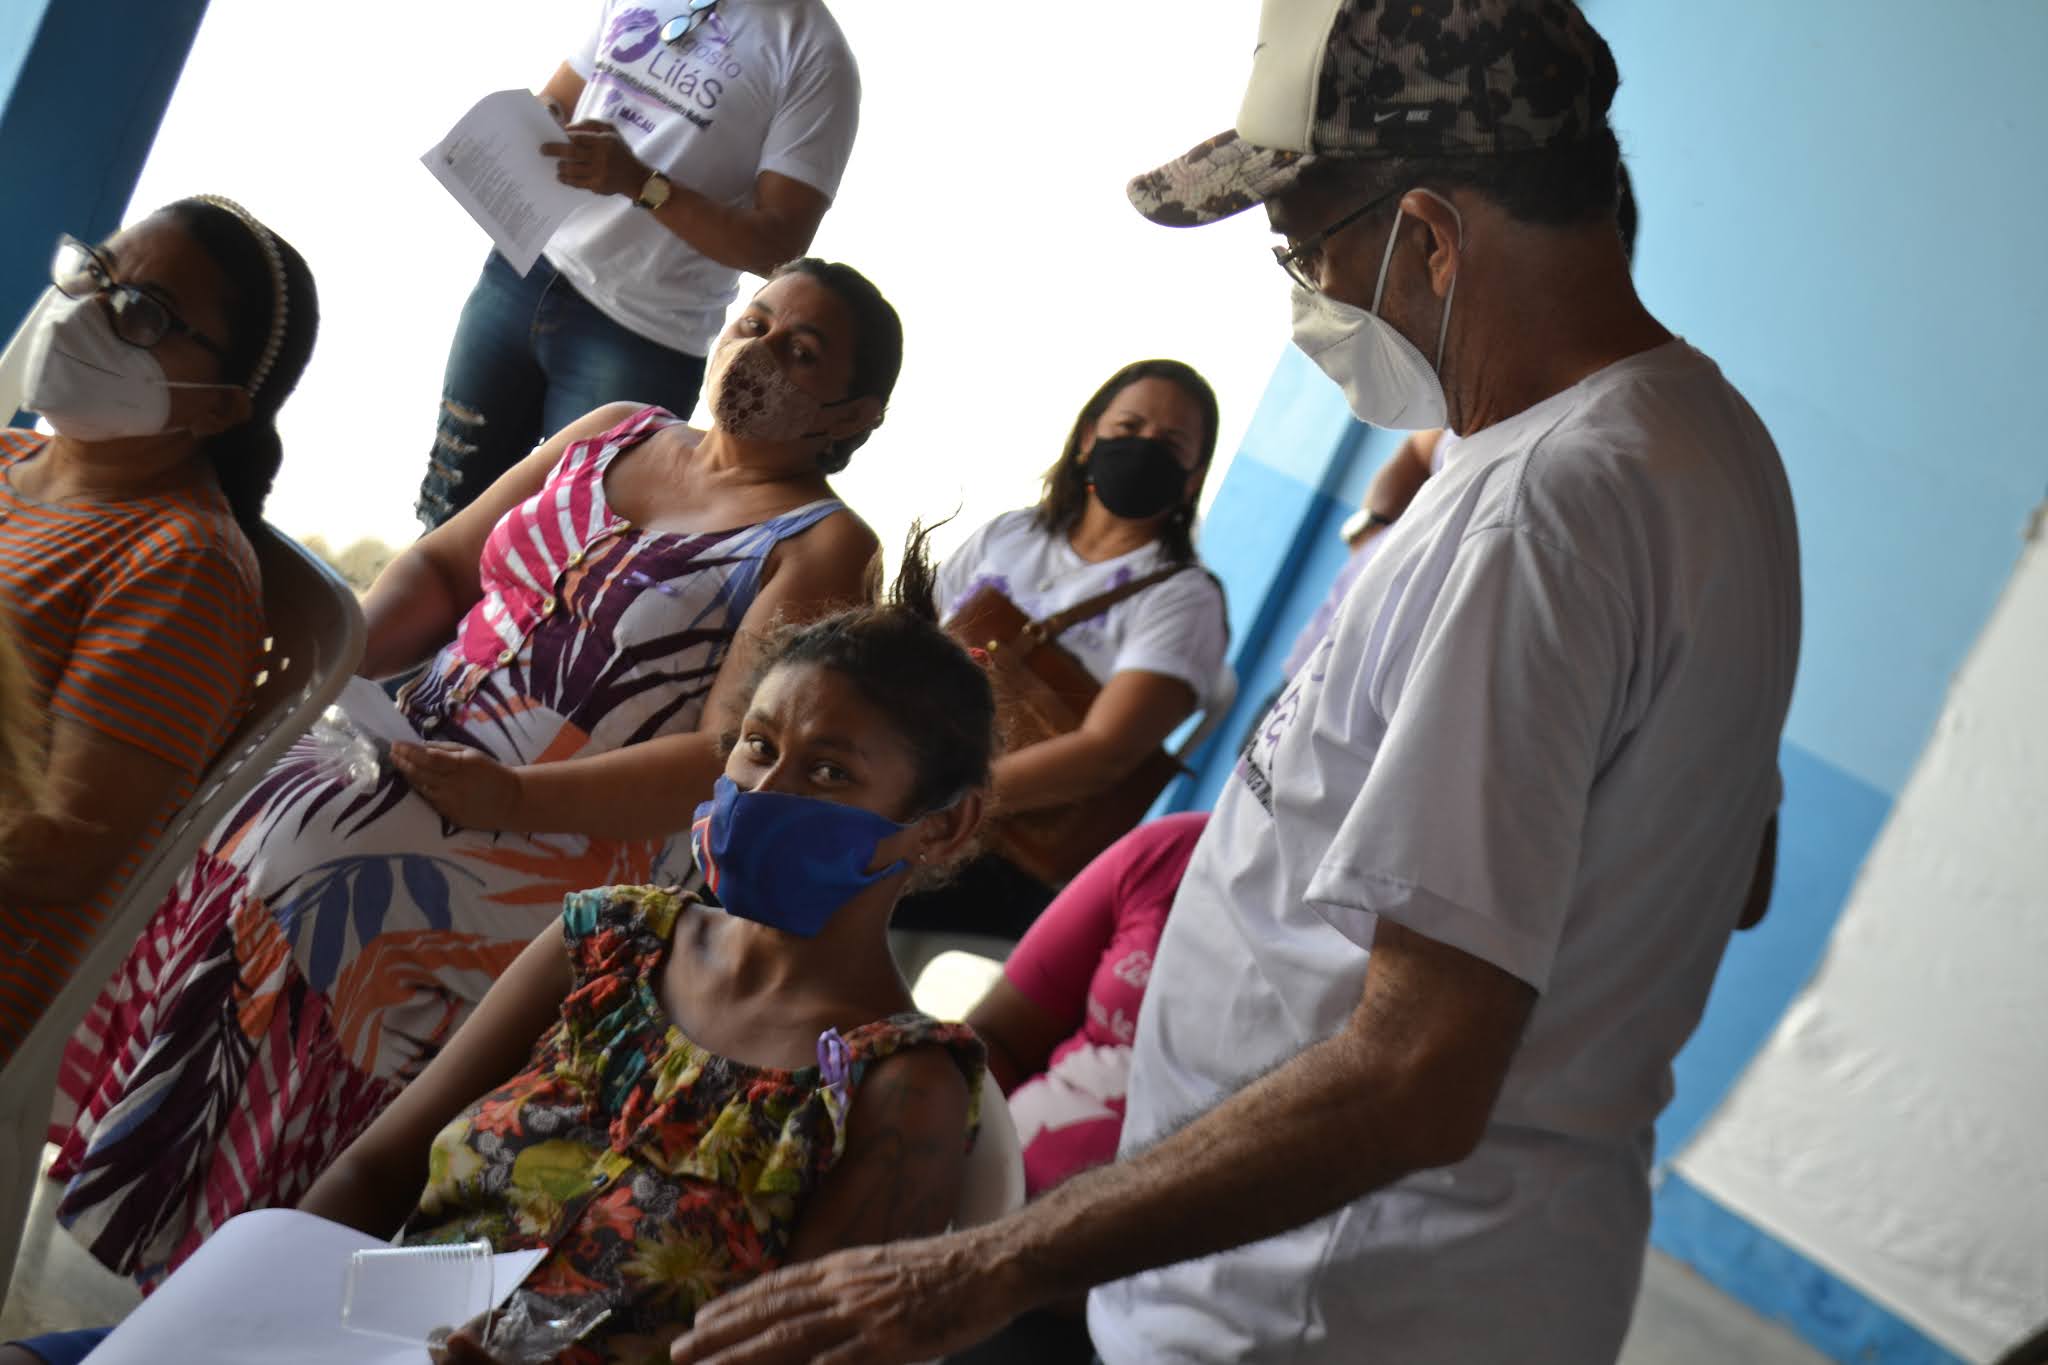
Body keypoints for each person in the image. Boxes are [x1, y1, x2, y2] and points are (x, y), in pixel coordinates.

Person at [670, 1, 1800, 1362]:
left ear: (1429, 238)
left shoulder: (1540, 514)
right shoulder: (1701, 447)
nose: (1306, 295)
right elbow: (1731, 866)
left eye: (1304, 249)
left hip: (1317, 1300)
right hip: (1405, 1275)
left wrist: (974, 1269)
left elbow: (1415, 1072)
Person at [48, 259, 898, 1284]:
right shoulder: (616, 429)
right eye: (753, 324)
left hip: (570, 829)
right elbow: (447, 565)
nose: (757, 353)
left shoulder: (823, 541)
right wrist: (330, 670)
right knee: (241, 791)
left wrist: (513, 797)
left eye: (800, 352)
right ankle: (113, 1169)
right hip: (417, 741)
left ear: (853, 413)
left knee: (325, 867)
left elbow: (725, 755)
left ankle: (226, 1243)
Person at [3, 536, 995, 1365]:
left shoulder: (894, 1090)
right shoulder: (608, 945)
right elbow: (374, 1174)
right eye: (758, 746)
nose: (767, 792)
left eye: (829, 772)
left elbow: (799, 1356)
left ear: (941, 826)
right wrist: (268, 1310)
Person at [0, 196, 318, 1066]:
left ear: (219, 407)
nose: (87, 311)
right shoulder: (10, 459)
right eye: (94, 273)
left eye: (144, 312)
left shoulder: (184, 567)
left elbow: (63, 849)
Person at [417, 0, 861, 528]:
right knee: (449, 512)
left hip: (643, 335)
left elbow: (778, 245)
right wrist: (541, 121)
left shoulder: (816, 55)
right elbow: (561, 97)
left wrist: (639, 183)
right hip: (520, 274)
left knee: (569, 547)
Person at [891, 360, 1230, 942]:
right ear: (1088, 438)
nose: (1145, 447)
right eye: (1129, 427)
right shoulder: (1013, 534)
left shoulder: (1184, 599)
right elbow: (908, 637)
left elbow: (1104, 754)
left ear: (1192, 478)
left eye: (1171, 443)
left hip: (1006, 852)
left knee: (831, 868)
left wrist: (939, 802)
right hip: (907, 783)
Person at [951, 810, 1207, 1364]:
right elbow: (997, 1040)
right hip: (980, 1221)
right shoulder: (1173, 852)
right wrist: (939, 1184)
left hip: (1138, 1296)